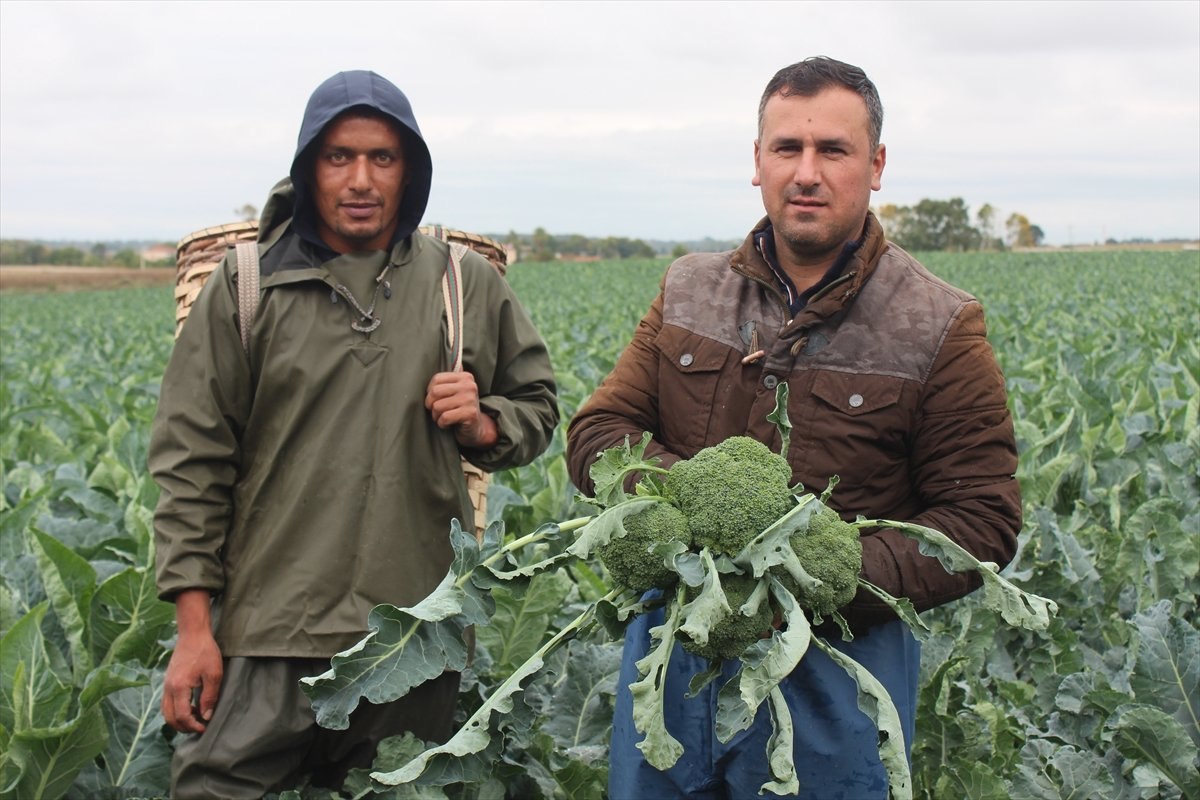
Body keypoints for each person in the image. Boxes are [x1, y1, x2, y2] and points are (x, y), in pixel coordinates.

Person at [566, 56, 1021, 799]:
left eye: (832, 150)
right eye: (787, 148)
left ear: (874, 166)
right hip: (675, 657)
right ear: (758, 162)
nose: (806, 172)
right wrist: (683, 514)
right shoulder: (689, 289)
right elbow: (600, 430)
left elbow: (982, 520)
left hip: (835, 680)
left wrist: (820, 574)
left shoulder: (939, 325)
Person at [150, 70, 558, 798]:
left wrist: (482, 419)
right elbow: (191, 464)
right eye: (339, 157)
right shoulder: (246, 288)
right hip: (269, 630)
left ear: (412, 171)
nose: (361, 179)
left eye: (383, 158)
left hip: (413, 636)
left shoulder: (462, 285)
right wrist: (193, 628)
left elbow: (537, 410)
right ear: (309, 166)